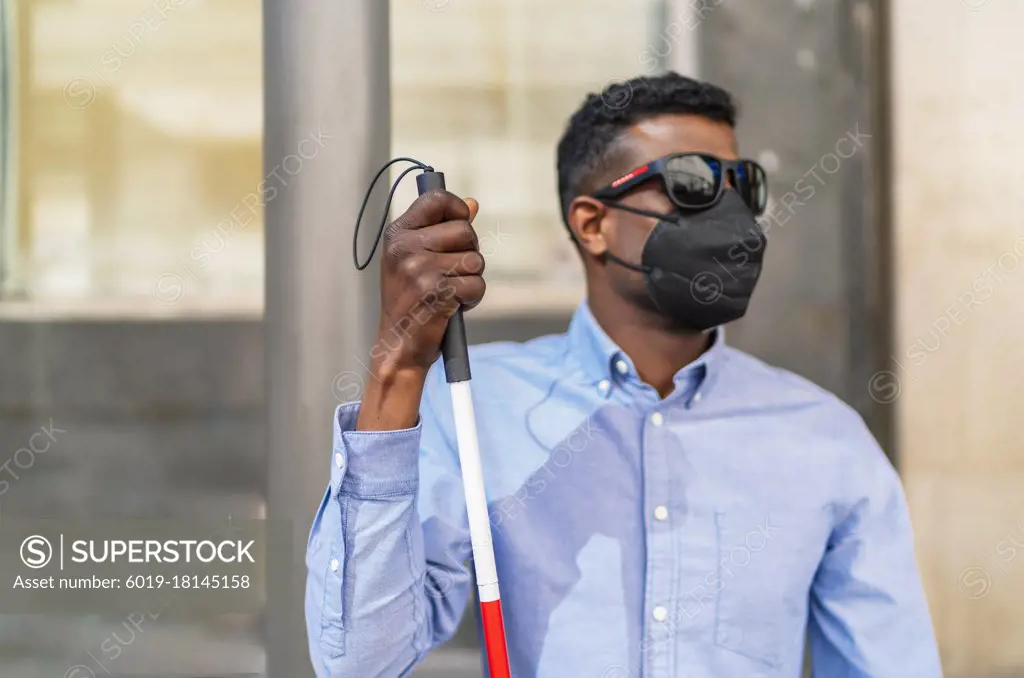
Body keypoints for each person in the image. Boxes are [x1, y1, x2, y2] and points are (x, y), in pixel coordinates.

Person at [305, 73, 942, 678]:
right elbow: (362, 663)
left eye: (741, 185)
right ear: (593, 223)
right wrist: (399, 362)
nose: (728, 213)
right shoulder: (478, 407)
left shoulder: (826, 439)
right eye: (690, 183)